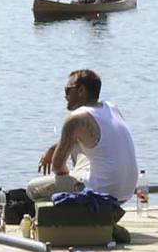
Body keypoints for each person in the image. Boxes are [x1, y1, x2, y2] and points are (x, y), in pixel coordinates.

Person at [24, 68, 138, 227]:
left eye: (68, 90)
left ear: (81, 90)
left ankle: (83, 216)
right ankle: (84, 184)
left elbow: (58, 168)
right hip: (126, 190)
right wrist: (53, 149)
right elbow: (93, 139)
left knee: (32, 189)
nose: (65, 96)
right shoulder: (111, 107)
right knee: (77, 147)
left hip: (105, 191)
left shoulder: (76, 119)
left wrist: (68, 177)